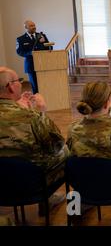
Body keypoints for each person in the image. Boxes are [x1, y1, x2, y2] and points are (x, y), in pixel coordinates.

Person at [0, 66, 68, 214]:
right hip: (31, 183)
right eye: (19, 80)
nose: (20, 83)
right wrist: (41, 112)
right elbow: (55, 146)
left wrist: (21, 109)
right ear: (10, 87)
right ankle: (50, 201)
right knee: (67, 151)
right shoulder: (31, 117)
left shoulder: (26, 114)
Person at [16, 20, 51, 94]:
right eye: (31, 26)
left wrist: (47, 44)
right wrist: (30, 53)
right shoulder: (21, 39)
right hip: (30, 65)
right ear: (26, 27)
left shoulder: (41, 36)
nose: (34, 27)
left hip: (43, 64)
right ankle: (37, 102)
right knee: (35, 87)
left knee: (45, 85)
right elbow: (19, 52)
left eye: (34, 25)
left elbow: (49, 47)